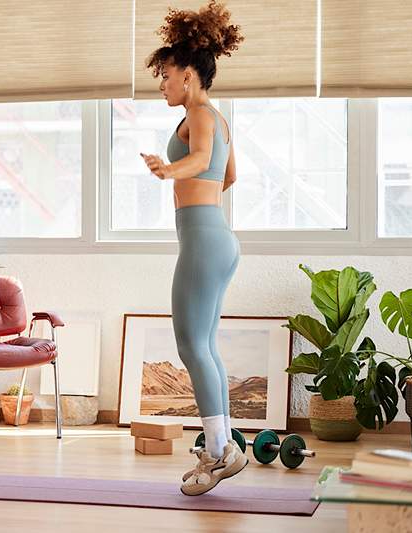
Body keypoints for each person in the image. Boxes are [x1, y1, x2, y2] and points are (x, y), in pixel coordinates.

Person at [141, 1, 246, 496]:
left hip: (204, 239)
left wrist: (169, 172)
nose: (162, 83)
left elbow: (203, 160)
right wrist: (193, 188)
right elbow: (229, 174)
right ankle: (224, 447)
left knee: (189, 344)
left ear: (188, 73)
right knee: (204, 346)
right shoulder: (217, 118)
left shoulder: (200, 114)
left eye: (166, 74)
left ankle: (218, 452)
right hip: (216, 237)